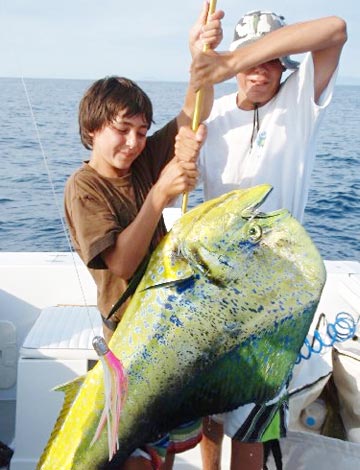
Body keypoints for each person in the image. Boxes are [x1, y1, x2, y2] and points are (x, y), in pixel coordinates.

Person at [64, 4, 224, 469]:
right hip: (127, 344)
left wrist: (199, 56)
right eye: (121, 130)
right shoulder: (85, 187)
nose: (133, 143)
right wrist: (161, 193)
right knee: (129, 456)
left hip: (165, 335)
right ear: (93, 129)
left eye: (141, 131)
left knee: (162, 451)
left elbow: (196, 110)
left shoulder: (139, 163)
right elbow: (120, 263)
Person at [190, 9, 347, 470]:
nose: (260, 68)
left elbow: (336, 29)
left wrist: (230, 60)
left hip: (274, 292)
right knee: (210, 409)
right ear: (236, 63)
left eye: (273, 58)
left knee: (253, 415)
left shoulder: (299, 102)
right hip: (213, 284)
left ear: (285, 65)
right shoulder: (211, 116)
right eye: (250, 58)